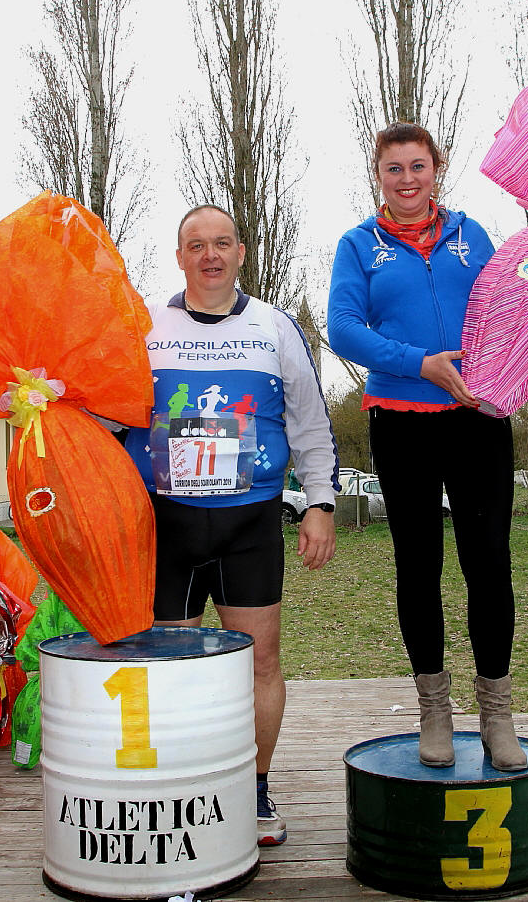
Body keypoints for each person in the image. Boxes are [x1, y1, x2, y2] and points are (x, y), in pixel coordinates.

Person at [125, 204, 338, 847]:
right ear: (179, 256)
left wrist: (321, 502)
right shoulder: (145, 328)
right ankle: (186, 786)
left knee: (259, 664)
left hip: (249, 524)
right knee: (173, 668)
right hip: (169, 524)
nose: (210, 255)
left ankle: (256, 788)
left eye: (221, 243)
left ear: (241, 251)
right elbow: (105, 416)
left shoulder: (274, 328)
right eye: (196, 245)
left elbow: (308, 421)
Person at [327, 122, 525, 772]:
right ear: (377, 175)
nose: (407, 179)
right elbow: (344, 330)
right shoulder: (359, 246)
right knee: (420, 568)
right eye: (394, 169)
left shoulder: (473, 236)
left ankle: (497, 712)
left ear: (437, 168)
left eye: (418, 166)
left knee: (489, 565)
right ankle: (434, 710)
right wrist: (420, 364)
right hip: (402, 423)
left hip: (477, 419)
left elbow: (509, 307)